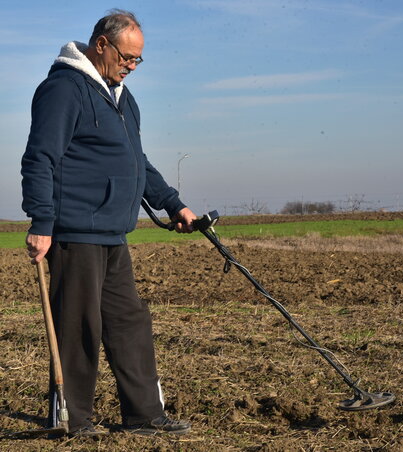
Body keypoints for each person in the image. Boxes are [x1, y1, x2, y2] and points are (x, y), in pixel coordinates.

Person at [21, 10, 195, 437]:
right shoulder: (63, 89)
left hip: (114, 232)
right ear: (101, 44)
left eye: (138, 60)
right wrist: (42, 220)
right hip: (75, 231)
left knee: (130, 322)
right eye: (127, 57)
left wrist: (173, 204)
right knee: (79, 328)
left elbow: (138, 162)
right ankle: (72, 421)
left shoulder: (121, 97)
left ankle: (144, 415)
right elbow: (39, 157)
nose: (131, 66)